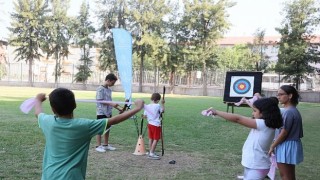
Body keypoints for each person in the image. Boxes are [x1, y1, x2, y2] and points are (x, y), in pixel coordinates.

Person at [34, 88, 144, 180]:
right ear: (75, 105)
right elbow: (114, 120)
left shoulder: (47, 122)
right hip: (72, 177)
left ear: (53, 109)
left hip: (49, 175)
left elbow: (38, 113)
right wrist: (138, 108)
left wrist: (38, 99)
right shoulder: (84, 126)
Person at [206, 97, 283, 180]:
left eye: (255, 111)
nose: (253, 113)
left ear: (263, 113)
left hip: (257, 166)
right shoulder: (265, 124)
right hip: (255, 165)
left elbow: (238, 119)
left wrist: (216, 112)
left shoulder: (263, 124)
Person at [268, 85, 303, 180]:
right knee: (290, 175)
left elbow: (284, 133)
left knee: (285, 176)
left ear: (290, 96)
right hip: (291, 145)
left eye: (281, 94)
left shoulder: (288, 112)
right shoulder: (293, 110)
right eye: (277, 94)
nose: (278, 97)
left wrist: (272, 146)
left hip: (286, 146)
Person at [95, 73, 123, 153]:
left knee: (108, 128)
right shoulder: (100, 89)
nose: (113, 84)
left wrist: (118, 108)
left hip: (108, 112)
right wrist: (111, 104)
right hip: (101, 112)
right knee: (100, 129)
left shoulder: (109, 90)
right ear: (108, 80)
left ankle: (106, 145)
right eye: (112, 83)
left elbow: (110, 101)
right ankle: (98, 145)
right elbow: (100, 100)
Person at [143, 92, 165, 160]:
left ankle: (151, 152)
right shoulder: (158, 106)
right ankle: (151, 153)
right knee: (156, 139)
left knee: (151, 138)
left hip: (150, 124)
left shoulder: (147, 106)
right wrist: (163, 104)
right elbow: (163, 111)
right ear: (158, 100)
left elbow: (145, 116)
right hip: (156, 125)